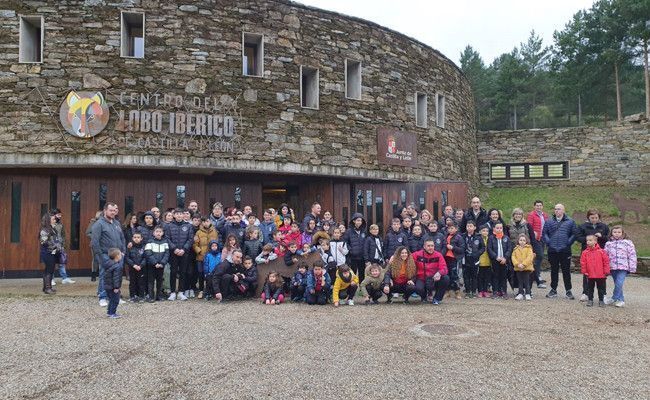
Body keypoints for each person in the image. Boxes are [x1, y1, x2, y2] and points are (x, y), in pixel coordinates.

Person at [91, 202, 126, 307]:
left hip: (118, 255)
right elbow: (95, 242)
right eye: (110, 210)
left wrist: (123, 251)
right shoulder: (98, 224)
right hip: (106, 255)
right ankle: (102, 297)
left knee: (117, 276)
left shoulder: (117, 223)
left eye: (114, 210)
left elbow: (122, 238)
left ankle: (115, 297)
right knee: (104, 276)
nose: (113, 212)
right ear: (105, 211)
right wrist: (100, 257)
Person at [542, 204, 577, 300]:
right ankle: (553, 290)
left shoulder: (570, 221)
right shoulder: (548, 221)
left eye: (559, 209)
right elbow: (544, 233)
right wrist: (549, 242)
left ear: (563, 210)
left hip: (565, 250)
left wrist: (568, 243)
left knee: (566, 271)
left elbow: (574, 234)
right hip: (552, 250)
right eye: (555, 209)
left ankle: (568, 291)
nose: (557, 210)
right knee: (554, 270)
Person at [575, 209, 610, 302]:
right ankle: (585, 293)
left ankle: (603, 294)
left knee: (601, 275)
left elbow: (608, 238)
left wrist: (601, 236)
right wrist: (589, 239)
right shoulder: (582, 226)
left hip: (600, 253)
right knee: (587, 273)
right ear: (588, 217)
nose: (594, 219)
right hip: (587, 252)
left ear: (599, 218)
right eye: (592, 218)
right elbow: (578, 237)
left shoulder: (604, 226)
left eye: (596, 218)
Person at [164, 208, 194, 301]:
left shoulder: (188, 226)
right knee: (173, 272)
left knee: (183, 272)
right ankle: (173, 292)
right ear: (174, 215)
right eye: (177, 214)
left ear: (183, 215)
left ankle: (181, 292)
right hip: (173, 253)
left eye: (181, 214)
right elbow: (167, 238)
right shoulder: (169, 226)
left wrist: (184, 249)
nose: (179, 215)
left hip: (184, 253)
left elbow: (190, 239)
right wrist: (174, 249)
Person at [604, 226, 637, 308]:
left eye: (619, 232)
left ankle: (614, 298)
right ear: (611, 233)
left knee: (619, 283)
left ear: (622, 233)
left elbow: (632, 255)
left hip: (623, 267)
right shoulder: (608, 244)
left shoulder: (627, 243)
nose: (617, 234)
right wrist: (605, 267)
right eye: (615, 232)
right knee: (617, 284)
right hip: (612, 267)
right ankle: (621, 300)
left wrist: (632, 267)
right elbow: (605, 256)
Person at [412, 239, 450, 305]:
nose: (430, 247)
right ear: (424, 247)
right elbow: (406, 257)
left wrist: (439, 273)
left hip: (434, 279)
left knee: (445, 278)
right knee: (418, 288)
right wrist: (394, 257)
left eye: (432, 246)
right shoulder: (417, 254)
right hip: (421, 278)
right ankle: (424, 296)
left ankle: (437, 298)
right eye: (428, 246)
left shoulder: (438, 255)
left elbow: (444, 268)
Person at [580, 235, 610, 307]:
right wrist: (584, 271)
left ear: (595, 241)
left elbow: (606, 262)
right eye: (587, 240)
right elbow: (583, 263)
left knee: (601, 288)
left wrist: (606, 271)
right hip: (590, 274)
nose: (588, 242)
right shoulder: (585, 252)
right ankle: (590, 300)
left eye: (590, 240)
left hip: (600, 274)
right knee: (590, 288)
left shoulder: (602, 251)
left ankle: (601, 300)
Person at [193, 217, 218, 299]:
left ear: (210, 221)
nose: (205, 223)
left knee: (209, 273)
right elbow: (195, 244)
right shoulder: (198, 232)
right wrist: (199, 251)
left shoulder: (214, 231)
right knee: (200, 273)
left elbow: (217, 243)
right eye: (204, 221)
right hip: (201, 257)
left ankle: (209, 290)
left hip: (211, 257)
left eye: (207, 221)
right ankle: (201, 290)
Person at [39, 214, 63, 294]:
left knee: (49, 270)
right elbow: (43, 242)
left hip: (53, 252)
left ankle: (45, 287)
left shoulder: (52, 229)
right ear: (48, 221)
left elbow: (57, 239)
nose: (55, 220)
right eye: (53, 219)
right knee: (49, 270)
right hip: (48, 252)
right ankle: (48, 288)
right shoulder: (44, 230)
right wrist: (54, 245)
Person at [50, 208, 75, 285]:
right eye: (58, 215)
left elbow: (63, 235)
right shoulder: (48, 225)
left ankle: (65, 278)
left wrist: (63, 245)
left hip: (60, 247)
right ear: (54, 215)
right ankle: (51, 279)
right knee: (51, 263)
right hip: (52, 247)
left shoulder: (60, 224)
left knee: (62, 262)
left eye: (60, 215)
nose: (60, 216)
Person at [487, 222, 512, 299]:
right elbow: (489, 249)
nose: (499, 229)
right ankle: (495, 291)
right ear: (494, 229)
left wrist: (505, 257)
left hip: (504, 261)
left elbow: (509, 249)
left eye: (500, 228)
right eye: (497, 228)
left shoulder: (506, 238)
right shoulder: (491, 238)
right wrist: (495, 257)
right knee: (495, 276)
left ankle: (504, 291)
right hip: (495, 260)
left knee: (504, 276)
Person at [527, 200, 548, 288]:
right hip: (536, 239)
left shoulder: (545, 215)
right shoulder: (531, 215)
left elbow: (547, 226)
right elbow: (529, 226)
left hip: (543, 238)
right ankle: (536, 276)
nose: (539, 207)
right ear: (534, 206)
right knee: (539, 256)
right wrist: (533, 235)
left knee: (539, 257)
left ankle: (536, 275)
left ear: (542, 206)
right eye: (537, 205)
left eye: (540, 205)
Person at [463, 220, 485, 298]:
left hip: (475, 260)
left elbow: (483, 247)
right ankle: (467, 291)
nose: (469, 228)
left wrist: (477, 254)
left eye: (471, 226)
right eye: (468, 226)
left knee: (474, 276)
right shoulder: (463, 236)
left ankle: (473, 291)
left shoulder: (478, 237)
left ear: (474, 227)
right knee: (466, 276)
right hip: (465, 259)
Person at [443, 224, 465, 299]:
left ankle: (457, 292)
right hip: (446, 258)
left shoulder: (459, 237)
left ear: (456, 229)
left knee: (454, 276)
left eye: (452, 228)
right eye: (449, 228)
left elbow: (462, 249)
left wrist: (453, 247)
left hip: (454, 259)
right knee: (447, 275)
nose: (450, 230)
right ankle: (447, 292)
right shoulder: (445, 236)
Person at [344, 213, 367, 282]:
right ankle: (352, 287)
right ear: (354, 221)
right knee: (352, 273)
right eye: (358, 220)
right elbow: (346, 242)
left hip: (362, 257)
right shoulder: (349, 231)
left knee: (362, 273)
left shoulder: (364, 231)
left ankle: (361, 287)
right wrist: (350, 250)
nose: (359, 222)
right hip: (353, 257)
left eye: (361, 221)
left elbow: (366, 243)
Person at [511, 234, 534, 301]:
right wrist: (517, 264)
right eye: (520, 240)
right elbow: (513, 257)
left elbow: (530, 257)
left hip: (526, 268)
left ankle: (528, 293)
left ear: (526, 241)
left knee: (526, 281)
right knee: (520, 281)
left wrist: (523, 264)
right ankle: (520, 293)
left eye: (524, 240)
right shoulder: (515, 249)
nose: (522, 241)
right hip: (518, 268)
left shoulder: (529, 249)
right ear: (518, 241)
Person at [125, 231, 146, 302]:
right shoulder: (129, 247)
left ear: (141, 238)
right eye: (135, 237)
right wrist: (133, 265)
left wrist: (141, 265)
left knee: (141, 282)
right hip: (132, 267)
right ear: (132, 238)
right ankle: (132, 296)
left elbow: (145, 257)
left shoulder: (144, 247)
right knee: (132, 282)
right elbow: (127, 257)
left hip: (141, 268)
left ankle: (141, 296)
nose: (136, 239)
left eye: (138, 237)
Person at [104, 248, 124, 319]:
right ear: (117, 256)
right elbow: (116, 278)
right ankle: (112, 313)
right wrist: (116, 287)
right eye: (120, 254)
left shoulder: (108, 264)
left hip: (107, 286)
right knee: (115, 300)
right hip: (113, 287)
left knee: (111, 300)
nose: (121, 255)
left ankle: (109, 312)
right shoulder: (117, 266)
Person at [86, 211, 103, 282]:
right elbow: (87, 233)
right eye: (101, 215)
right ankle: (93, 274)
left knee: (103, 259)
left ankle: (102, 275)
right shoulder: (93, 222)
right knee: (95, 259)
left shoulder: (105, 223)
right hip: (94, 243)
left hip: (103, 244)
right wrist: (95, 237)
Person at [477, 225, 492, 298]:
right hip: (480, 261)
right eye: (483, 231)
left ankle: (485, 291)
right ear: (480, 231)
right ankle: (480, 291)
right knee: (480, 277)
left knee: (487, 277)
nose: (485, 232)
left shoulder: (490, 239)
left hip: (488, 261)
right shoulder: (478, 239)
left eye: (486, 231)